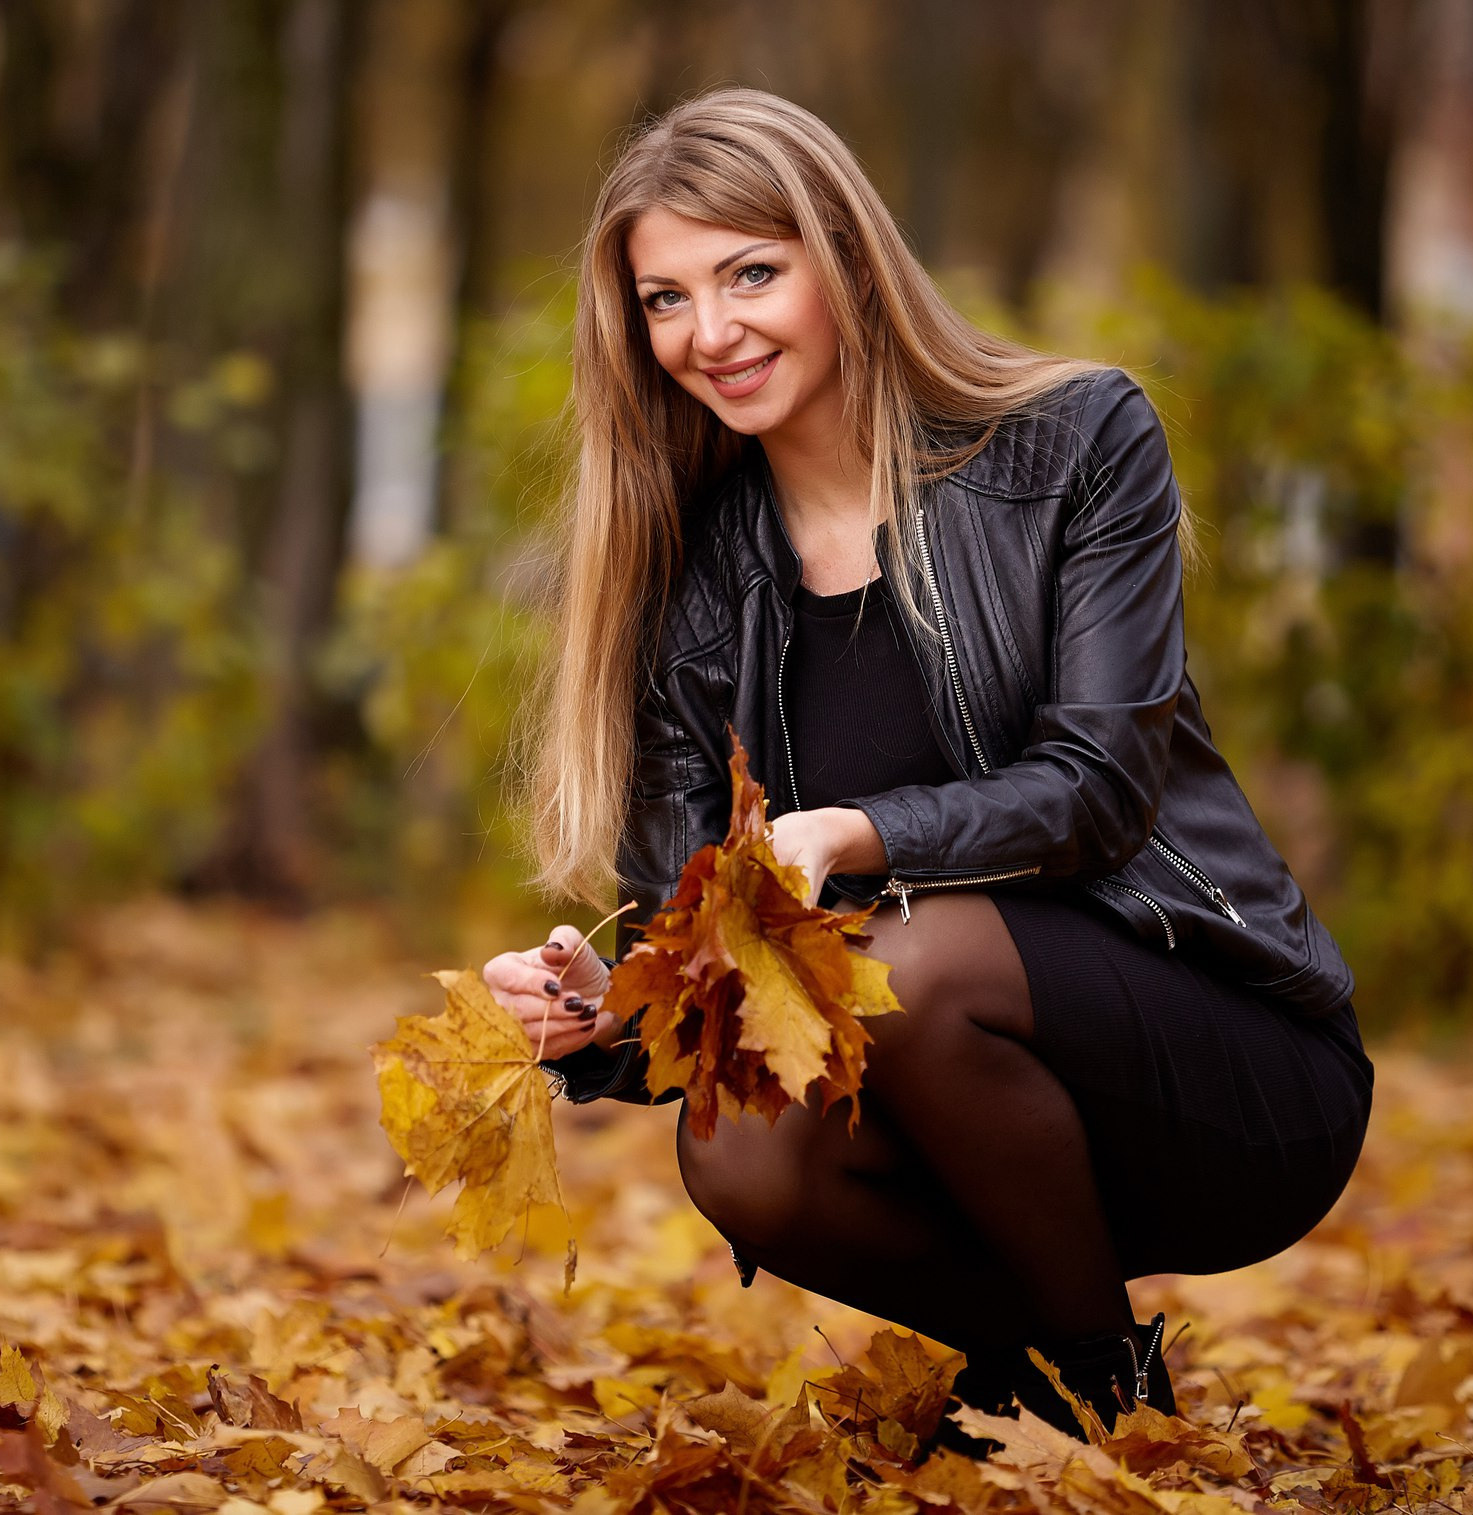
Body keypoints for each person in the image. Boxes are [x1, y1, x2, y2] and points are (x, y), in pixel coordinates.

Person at [481, 88, 1371, 1434]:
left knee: (913, 960)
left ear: (845, 255)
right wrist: (603, 1014)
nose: (709, 333)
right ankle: (1081, 1380)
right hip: (951, 1125)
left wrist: (856, 836)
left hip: (1224, 1065)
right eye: (665, 300)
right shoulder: (690, 581)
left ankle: (1082, 1397)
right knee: (739, 1151)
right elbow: (713, 962)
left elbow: (1102, 786)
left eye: (751, 274)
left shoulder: (1075, 442)